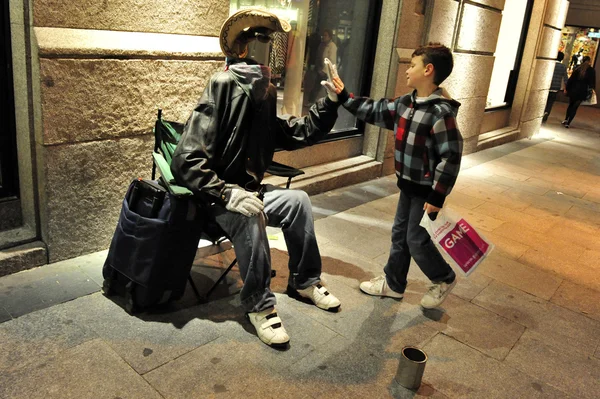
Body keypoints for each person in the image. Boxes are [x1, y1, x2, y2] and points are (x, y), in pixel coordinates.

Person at [171, 8, 343, 348]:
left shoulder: (261, 94)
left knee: (298, 201)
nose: (271, 52)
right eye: (262, 42)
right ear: (243, 50)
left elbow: (295, 132)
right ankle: (259, 304)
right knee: (251, 213)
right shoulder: (222, 86)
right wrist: (225, 193)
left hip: (247, 191)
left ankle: (304, 280)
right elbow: (186, 159)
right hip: (215, 200)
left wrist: (331, 103)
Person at [322, 43, 462, 309]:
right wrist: (344, 96)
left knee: (415, 238)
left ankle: (443, 277)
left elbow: (450, 156)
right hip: (408, 186)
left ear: (428, 70)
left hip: (425, 190)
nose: (407, 70)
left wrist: (437, 195)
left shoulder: (440, 113)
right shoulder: (406, 104)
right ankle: (394, 284)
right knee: (400, 234)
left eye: (412, 65)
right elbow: (374, 110)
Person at [563, 55, 596, 128]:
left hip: (573, 89)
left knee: (571, 105)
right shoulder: (591, 70)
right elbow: (592, 83)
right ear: (589, 62)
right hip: (582, 91)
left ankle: (565, 119)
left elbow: (571, 79)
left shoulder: (577, 68)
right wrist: (591, 90)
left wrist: (567, 89)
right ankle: (568, 123)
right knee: (575, 107)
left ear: (582, 61)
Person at [307, 29, 337, 104]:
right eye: (323, 35)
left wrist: (324, 71)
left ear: (330, 37)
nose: (323, 37)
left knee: (325, 87)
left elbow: (331, 60)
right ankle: (312, 101)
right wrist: (318, 68)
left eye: (325, 35)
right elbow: (318, 56)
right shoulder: (321, 44)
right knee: (317, 86)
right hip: (320, 69)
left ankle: (329, 103)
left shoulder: (332, 46)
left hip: (327, 71)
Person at [543, 51, 568, 123]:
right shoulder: (563, 67)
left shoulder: (550, 64)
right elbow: (566, 78)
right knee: (550, 101)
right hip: (555, 87)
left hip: (546, 85)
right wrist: (566, 88)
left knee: (544, 100)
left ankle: (541, 112)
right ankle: (547, 112)